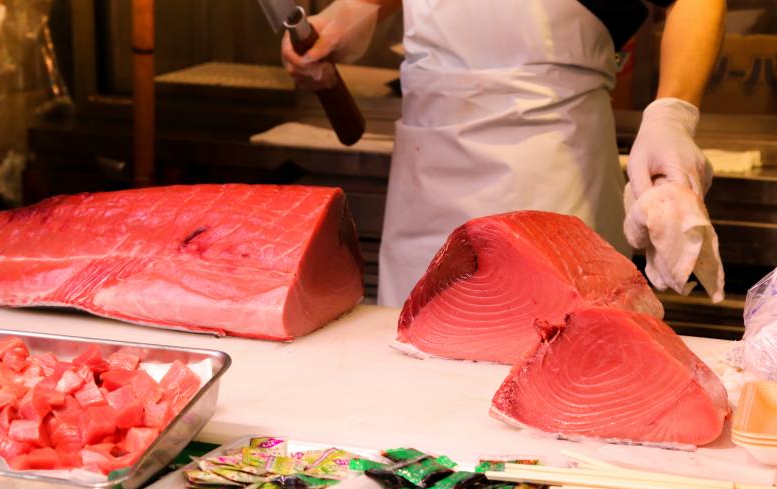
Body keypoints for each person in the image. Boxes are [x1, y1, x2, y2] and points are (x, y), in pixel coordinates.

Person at [281, 0, 726, 307]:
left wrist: (672, 111)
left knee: (552, 370)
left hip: (552, 159)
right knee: (415, 381)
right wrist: (354, 12)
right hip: (427, 168)